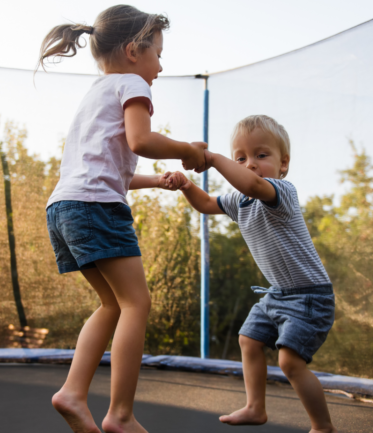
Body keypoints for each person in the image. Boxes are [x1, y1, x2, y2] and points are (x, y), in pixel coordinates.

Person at [38, 5, 207, 433]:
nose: (160, 67)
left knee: (113, 303)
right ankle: (120, 415)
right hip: (95, 207)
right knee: (136, 303)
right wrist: (187, 150)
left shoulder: (95, 95)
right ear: (134, 51)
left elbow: (115, 172)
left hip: (64, 208)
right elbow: (141, 140)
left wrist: (157, 181)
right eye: (158, 54)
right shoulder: (133, 83)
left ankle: (73, 393)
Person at [168, 115, 337, 433]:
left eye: (261, 155)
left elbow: (252, 184)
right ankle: (255, 408)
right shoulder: (240, 201)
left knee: (289, 363)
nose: (250, 164)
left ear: (283, 163)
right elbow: (206, 203)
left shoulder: (281, 191)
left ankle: (322, 427)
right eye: (241, 158)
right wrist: (187, 186)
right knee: (248, 339)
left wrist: (213, 159)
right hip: (276, 293)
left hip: (309, 296)